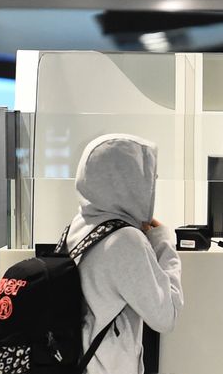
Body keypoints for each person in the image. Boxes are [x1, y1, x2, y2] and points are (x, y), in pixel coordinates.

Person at [65, 134, 184, 374]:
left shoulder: (80, 224)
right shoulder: (125, 240)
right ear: (127, 181)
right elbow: (166, 316)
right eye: (148, 176)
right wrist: (162, 241)